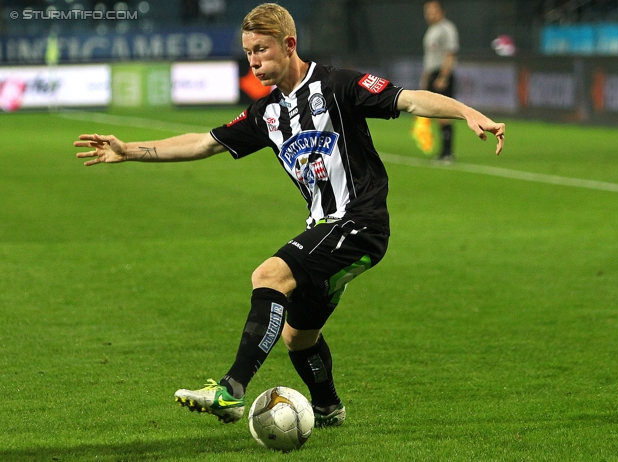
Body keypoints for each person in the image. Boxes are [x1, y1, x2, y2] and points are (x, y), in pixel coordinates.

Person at [74, 3, 504, 429]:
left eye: (261, 49)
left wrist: (466, 110)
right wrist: (128, 150)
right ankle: (328, 407)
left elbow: (408, 100)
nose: (254, 61)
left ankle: (231, 391)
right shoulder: (266, 113)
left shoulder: (339, 85)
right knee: (298, 337)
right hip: (325, 228)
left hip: (358, 222)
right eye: (248, 53)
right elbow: (203, 143)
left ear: (289, 44)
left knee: (270, 275)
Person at [420, 1, 459, 162]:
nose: (429, 14)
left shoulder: (446, 28)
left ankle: (448, 153)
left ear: (441, 11)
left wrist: (444, 76)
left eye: (432, 11)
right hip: (432, 74)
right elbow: (429, 58)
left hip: (442, 74)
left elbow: (450, 53)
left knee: (444, 114)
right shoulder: (432, 30)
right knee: (437, 114)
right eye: (427, 11)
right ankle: (443, 151)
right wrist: (425, 78)